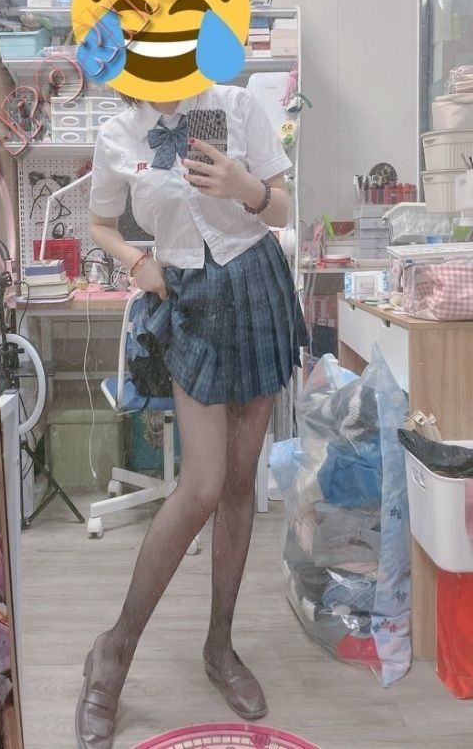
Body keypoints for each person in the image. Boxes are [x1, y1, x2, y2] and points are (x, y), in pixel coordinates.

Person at [76, 83, 308, 749]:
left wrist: (244, 186)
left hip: (256, 281)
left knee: (239, 482)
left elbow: (283, 206)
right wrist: (136, 261)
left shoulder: (237, 105)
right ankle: (114, 649)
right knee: (202, 484)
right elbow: (100, 224)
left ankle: (220, 647)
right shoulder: (118, 133)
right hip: (187, 296)